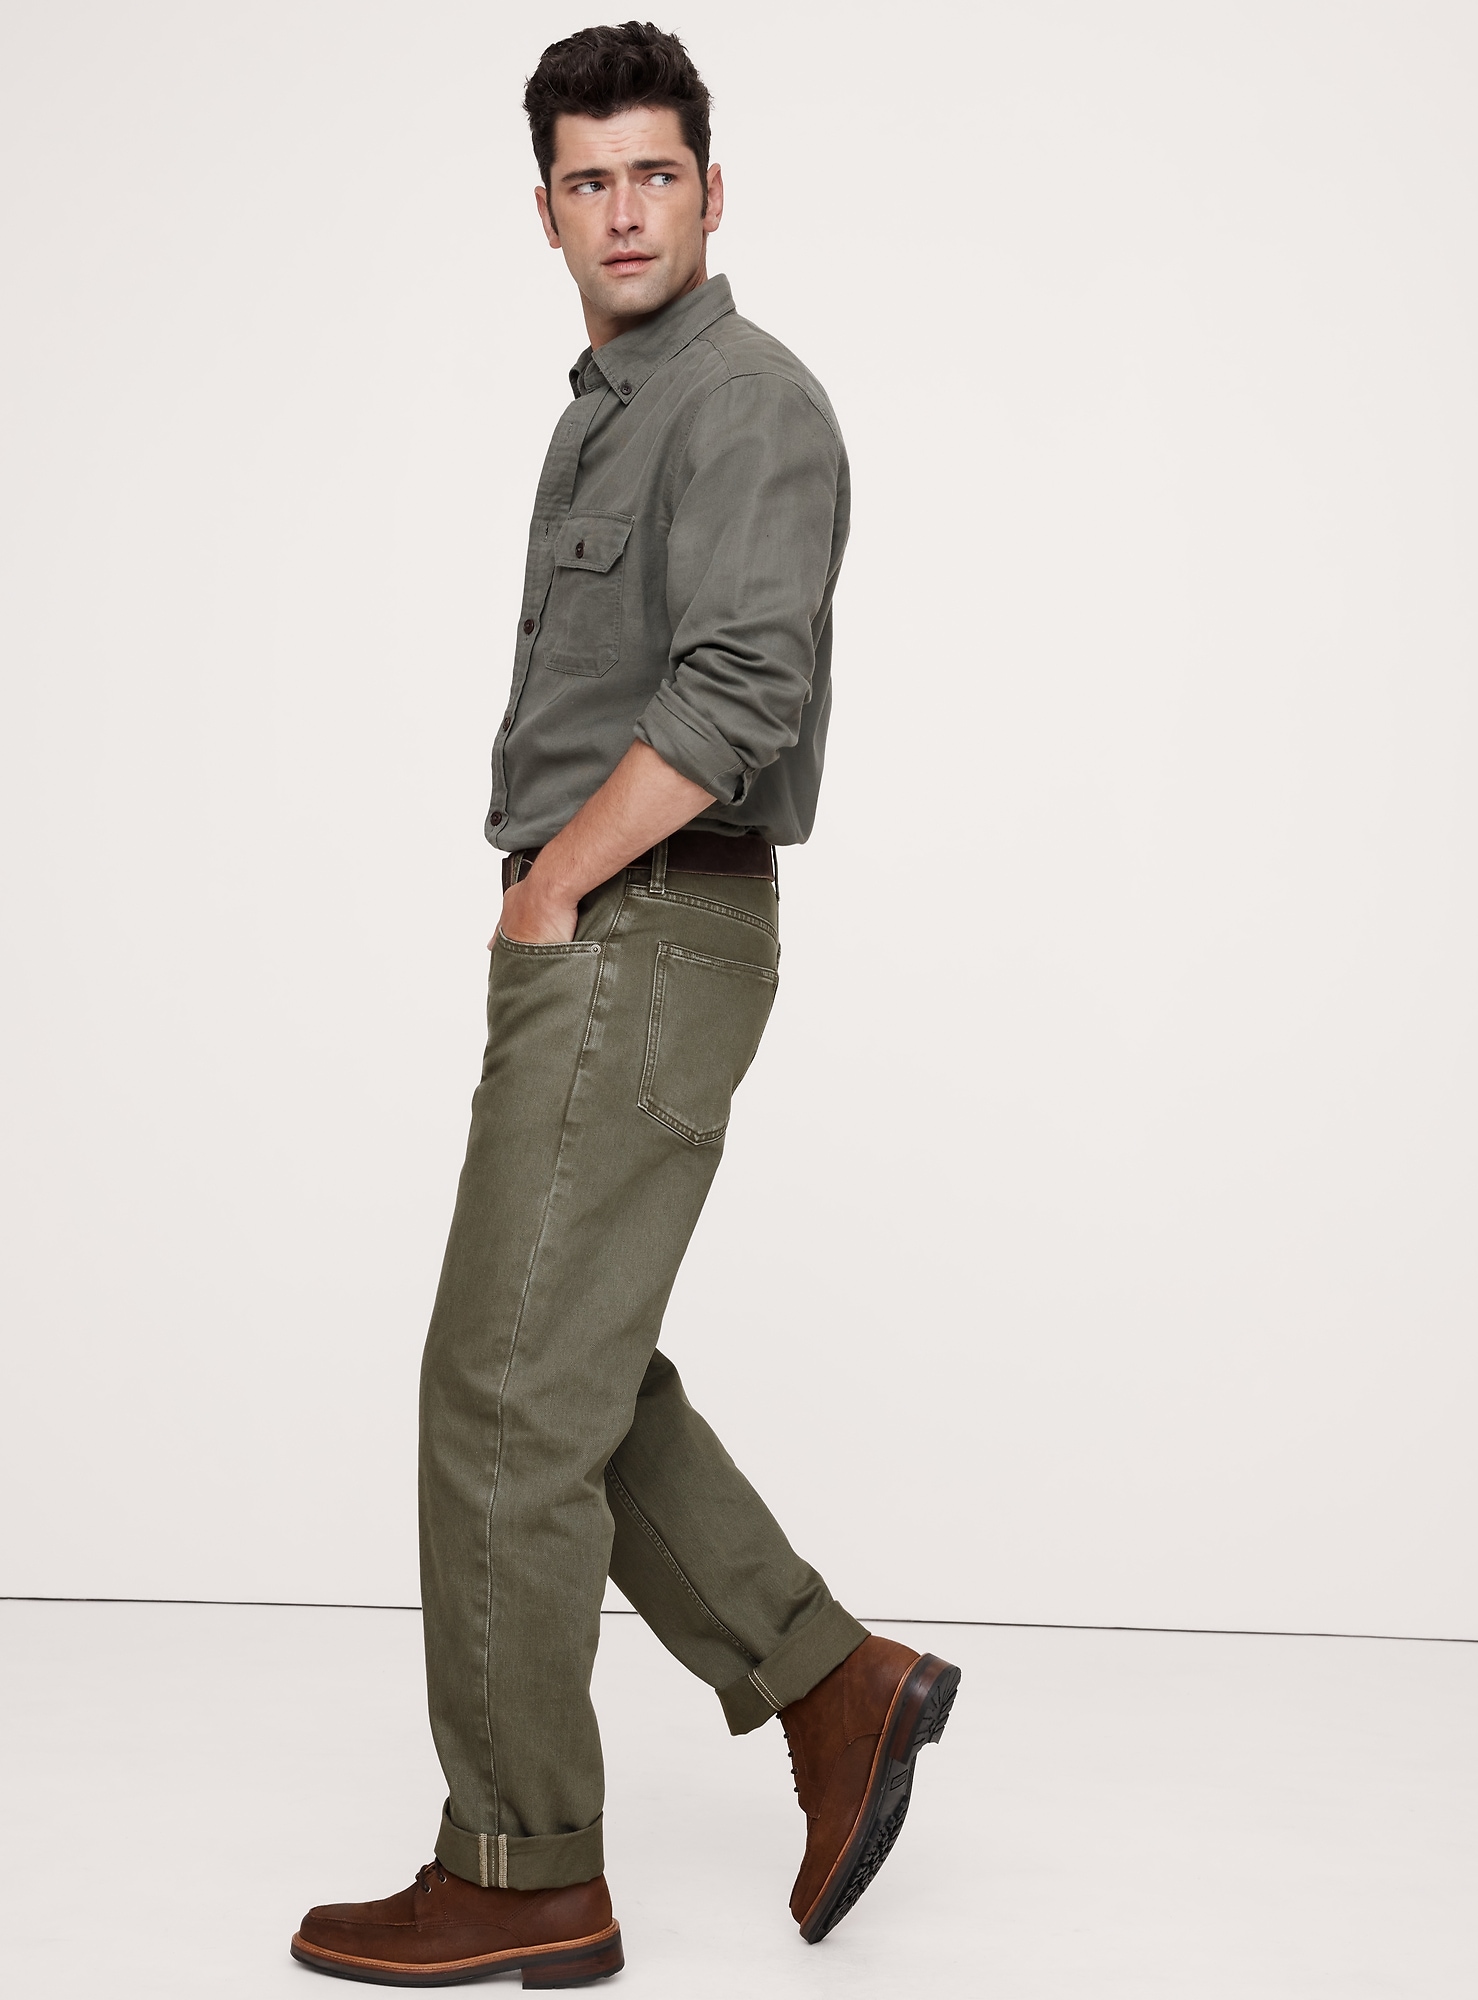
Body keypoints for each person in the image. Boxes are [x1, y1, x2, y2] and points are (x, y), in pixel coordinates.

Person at [291, 22, 959, 1986]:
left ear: (713, 190)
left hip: (644, 923)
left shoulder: (746, 405)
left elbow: (741, 692)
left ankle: (524, 1866)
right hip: (613, 927)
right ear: (548, 213)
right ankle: (832, 1683)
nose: (626, 211)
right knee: (564, 1370)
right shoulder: (613, 407)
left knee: (500, 1391)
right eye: (590, 182)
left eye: (656, 173)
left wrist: (555, 886)